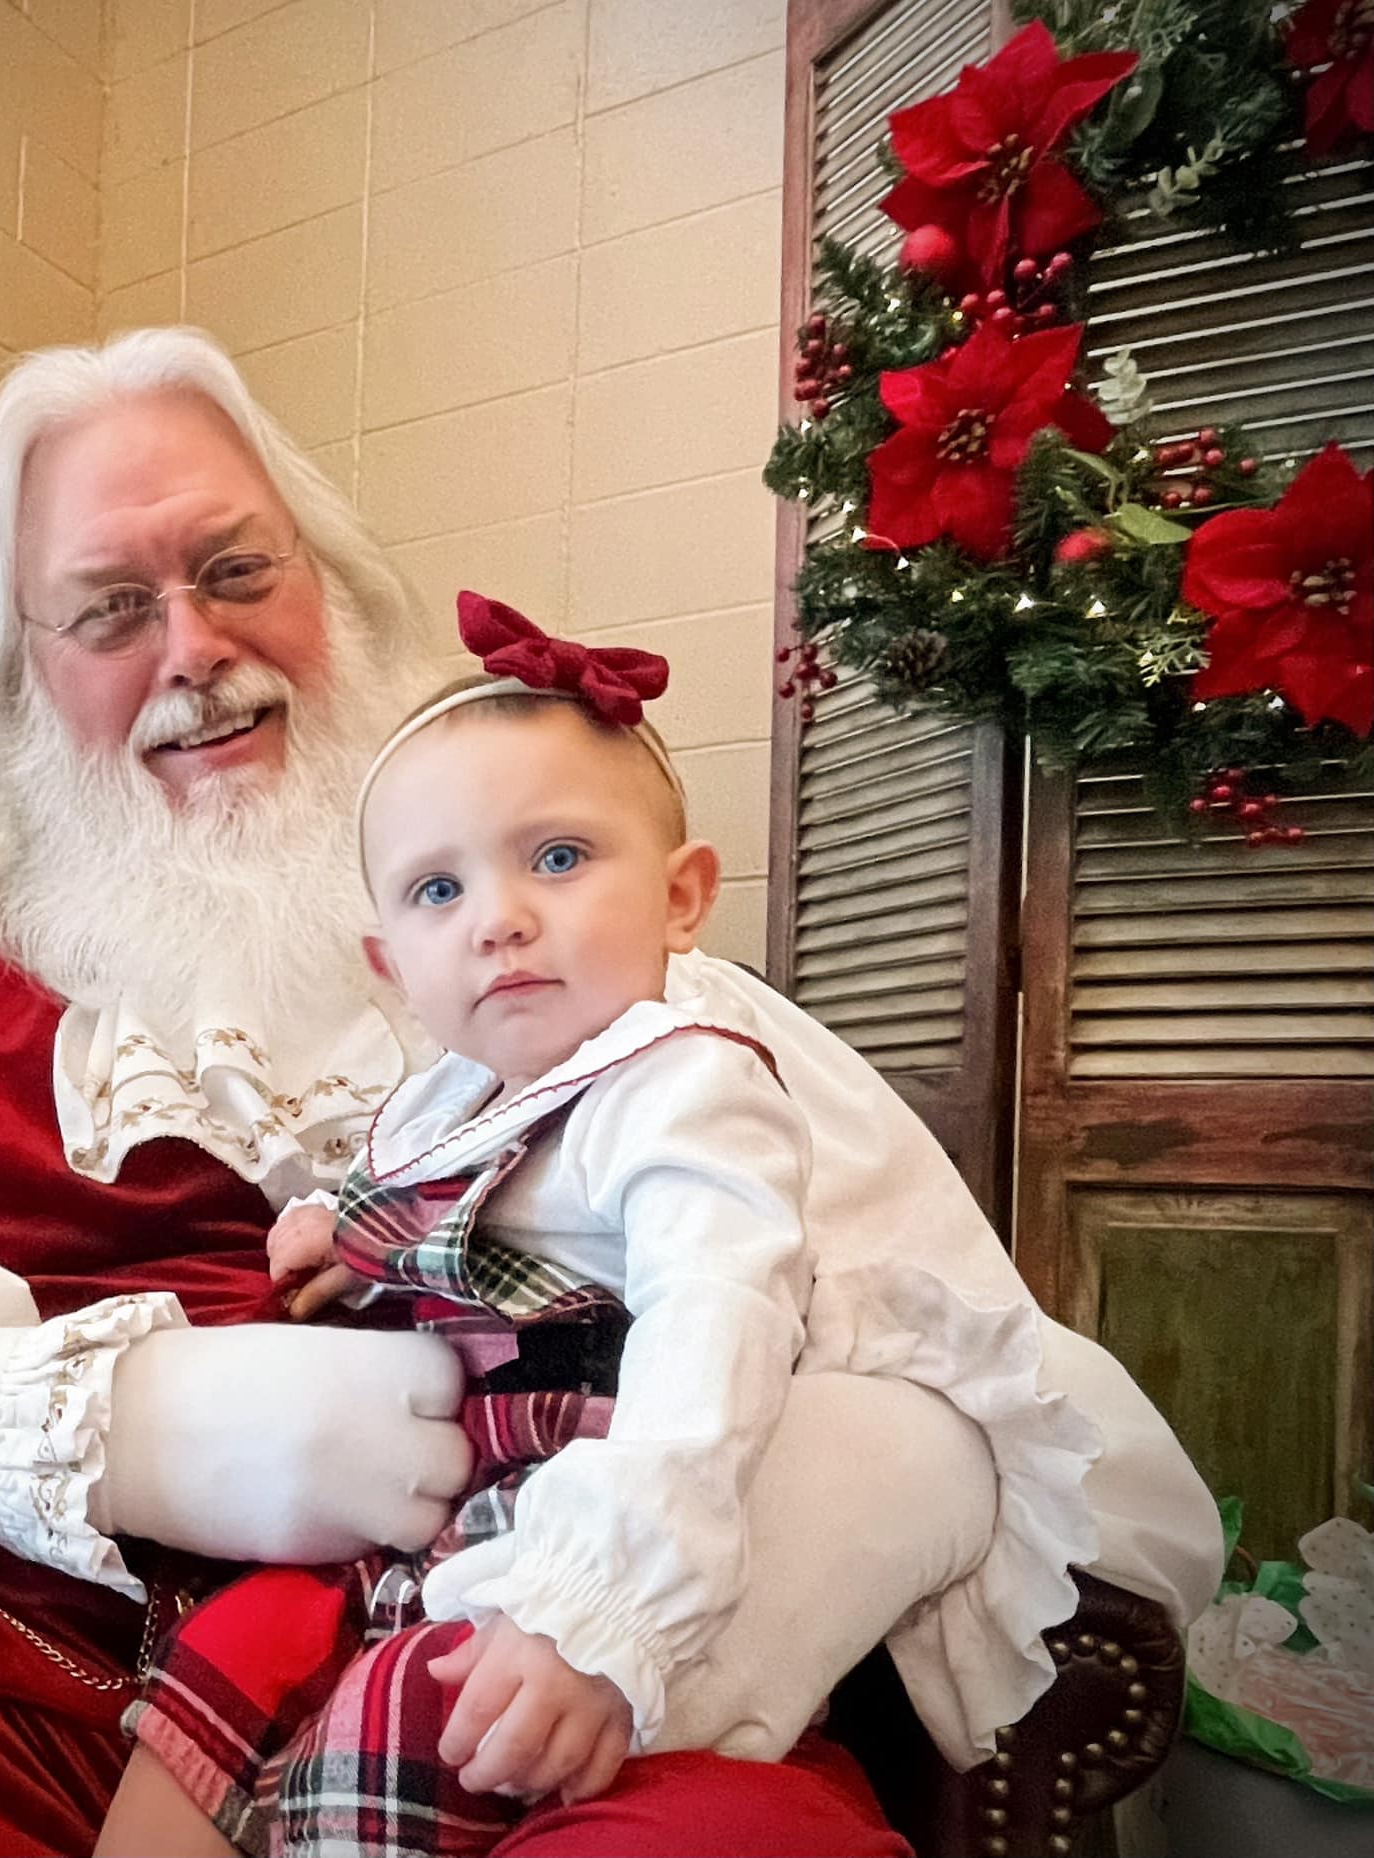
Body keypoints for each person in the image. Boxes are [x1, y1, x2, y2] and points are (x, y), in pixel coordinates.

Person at [0, 330, 1220, 1858]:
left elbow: (1013, 1414)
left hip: (516, 1722)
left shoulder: (628, 995)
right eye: (107, 610)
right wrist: (86, 1425)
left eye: (237, 571)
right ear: (22, 685)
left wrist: (652, 1591)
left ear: (339, 596)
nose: (194, 651)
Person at [94, 594, 1110, 1858]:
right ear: (390, 964)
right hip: (439, 1503)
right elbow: (422, 1204)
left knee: (425, 1712)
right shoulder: (453, 1095)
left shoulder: (684, 1085)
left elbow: (714, 1330)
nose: (497, 918)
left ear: (682, 899)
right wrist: (337, 1234)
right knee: (231, 1647)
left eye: (559, 859)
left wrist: (604, 1596)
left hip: (581, 1514)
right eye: (436, 889)